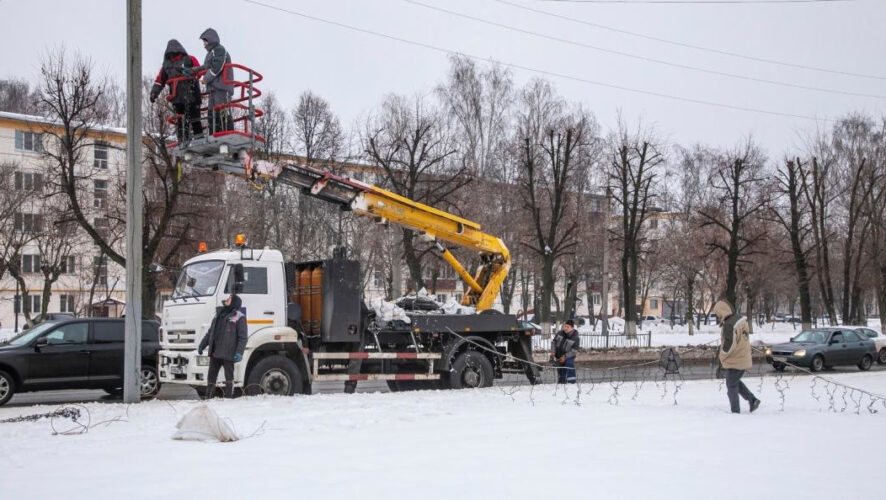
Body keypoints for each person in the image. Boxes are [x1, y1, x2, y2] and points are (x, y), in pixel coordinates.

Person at [149, 39, 203, 143]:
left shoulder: (190, 59)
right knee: (181, 120)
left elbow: (200, 71)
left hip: (192, 95)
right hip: (177, 98)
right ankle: (183, 140)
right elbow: (159, 81)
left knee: (195, 118)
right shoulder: (166, 66)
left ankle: (199, 139)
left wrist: (191, 74)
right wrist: (154, 93)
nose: (173, 55)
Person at [713, 299, 761, 414]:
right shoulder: (739, 319)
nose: (718, 316)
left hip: (735, 360)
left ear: (722, 311)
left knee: (731, 385)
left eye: (718, 314)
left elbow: (729, 346)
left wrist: (721, 355)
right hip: (742, 357)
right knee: (734, 381)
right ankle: (752, 400)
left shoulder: (729, 325)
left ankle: (736, 411)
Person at [198, 294, 247, 398]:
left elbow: (242, 337)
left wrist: (239, 352)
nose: (227, 299)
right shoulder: (218, 315)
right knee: (211, 376)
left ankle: (228, 397)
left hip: (228, 353)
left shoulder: (239, 317)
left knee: (229, 377)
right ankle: (208, 396)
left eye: (230, 298)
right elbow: (210, 333)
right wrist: (202, 345)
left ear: (234, 302)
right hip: (215, 352)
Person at [189, 28, 234, 134]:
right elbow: (206, 66)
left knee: (221, 109)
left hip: (222, 86)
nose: (203, 44)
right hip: (214, 88)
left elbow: (216, 67)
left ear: (210, 40)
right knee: (211, 111)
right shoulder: (210, 53)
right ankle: (214, 132)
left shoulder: (219, 50)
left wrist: (206, 78)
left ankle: (225, 132)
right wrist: (193, 70)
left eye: (205, 41)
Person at [551, 319, 579, 384]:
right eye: (565, 326)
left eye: (567, 327)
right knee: (560, 369)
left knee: (569, 364)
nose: (565, 328)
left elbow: (574, 351)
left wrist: (565, 357)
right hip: (558, 355)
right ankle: (561, 382)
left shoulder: (575, 337)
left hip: (569, 356)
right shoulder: (560, 333)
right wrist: (553, 351)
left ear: (572, 328)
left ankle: (572, 382)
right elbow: (554, 343)